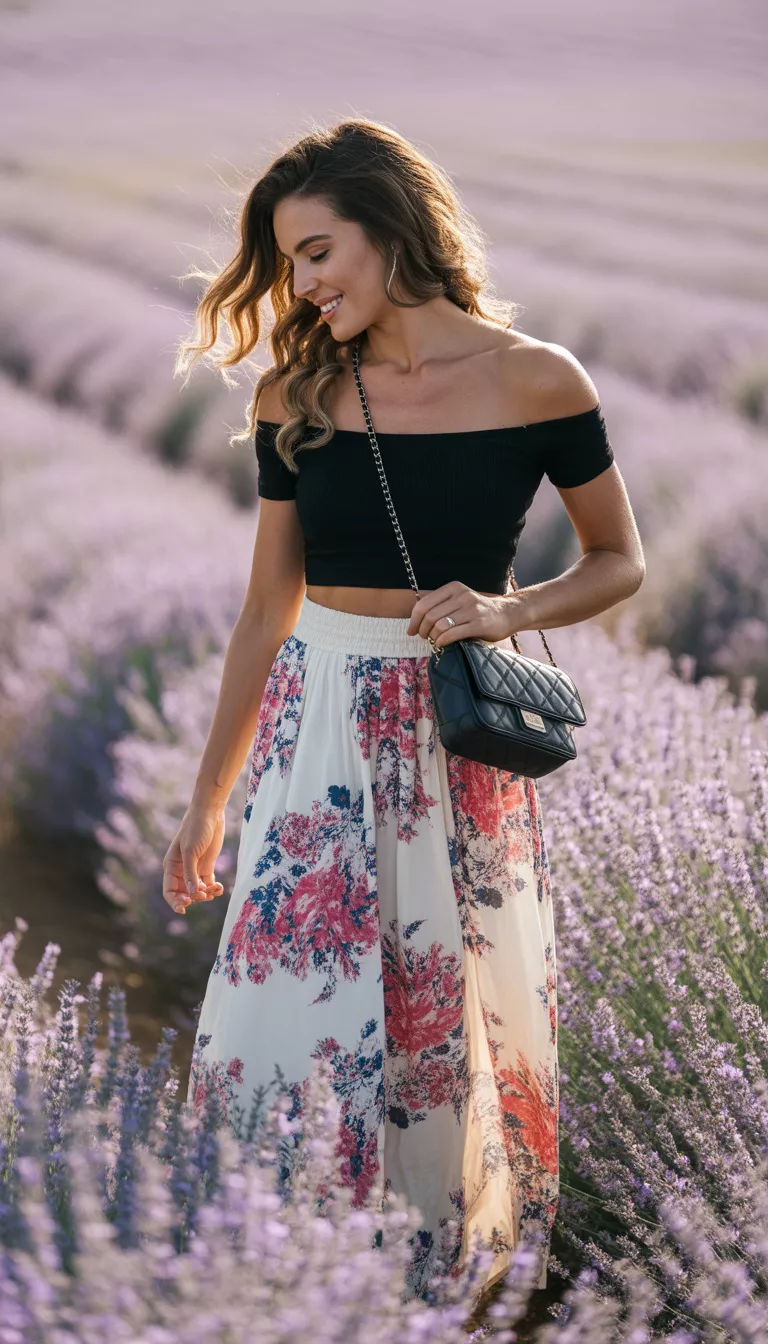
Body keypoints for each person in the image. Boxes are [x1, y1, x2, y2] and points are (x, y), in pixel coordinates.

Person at [165, 118, 645, 1307]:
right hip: (314, 723)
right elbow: (265, 608)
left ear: (393, 229)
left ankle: (421, 1295)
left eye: (319, 250)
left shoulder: (541, 379)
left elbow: (619, 561)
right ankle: (272, 1268)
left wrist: (500, 607)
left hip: (450, 727)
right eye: (288, 265)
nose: (305, 283)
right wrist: (206, 801)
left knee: (440, 1034)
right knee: (283, 1018)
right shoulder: (300, 390)